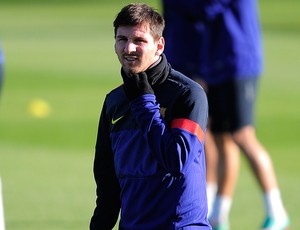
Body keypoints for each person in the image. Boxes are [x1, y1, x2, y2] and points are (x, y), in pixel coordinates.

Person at [162, 0, 290, 230]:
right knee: (221, 137)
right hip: (215, 64)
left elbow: (207, 7)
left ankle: (277, 211)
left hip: (238, 60)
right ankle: (219, 214)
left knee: (242, 135)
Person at [90, 3, 212, 230]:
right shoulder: (114, 102)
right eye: (122, 39)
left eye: (139, 41)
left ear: (159, 45)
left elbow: (176, 161)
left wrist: (144, 102)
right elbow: (107, 185)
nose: (129, 48)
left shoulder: (188, 94)